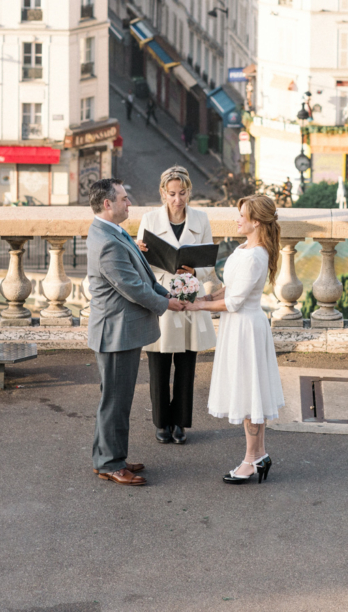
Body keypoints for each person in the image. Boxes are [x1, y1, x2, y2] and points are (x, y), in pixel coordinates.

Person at [84, 178, 186, 486]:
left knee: (117, 399)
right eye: (125, 198)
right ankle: (110, 463)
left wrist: (165, 295)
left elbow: (140, 271)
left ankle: (110, 456)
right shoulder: (107, 242)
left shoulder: (111, 232)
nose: (130, 203)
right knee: (115, 401)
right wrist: (165, 303)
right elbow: (131, 287)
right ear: (107, 204)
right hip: (115, 332)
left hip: (120, 330)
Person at [184, 194, 285, 484]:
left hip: (245, 328)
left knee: (249, 392)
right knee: (248, 391)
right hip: (238, 327)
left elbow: (235, 301)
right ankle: (260, 455)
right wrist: (205, 296)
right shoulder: (245, 247)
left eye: (242, 215)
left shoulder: (256, 255)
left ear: (255, 222)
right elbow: (229, 288)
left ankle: (251, 460)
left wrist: (197, 306)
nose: (237, 219)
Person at [135, 166, 217, 445]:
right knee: (158, 363)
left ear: (189, 191)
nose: (178, 199)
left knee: (186, 364)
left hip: (189, 296)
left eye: (182, 193)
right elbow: (139, 265)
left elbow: (209, 262)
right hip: (160, 295)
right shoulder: (148, 219)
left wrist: (195, 273)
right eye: (172, 194)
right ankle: (161, 423)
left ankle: (180, 423)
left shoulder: (201, 219)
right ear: (162, 193)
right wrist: (139, 251)